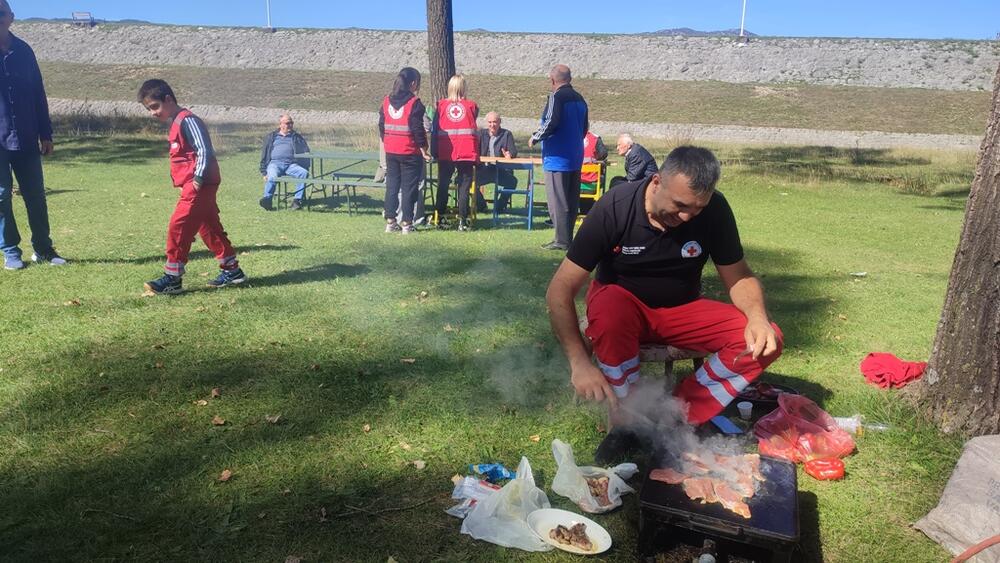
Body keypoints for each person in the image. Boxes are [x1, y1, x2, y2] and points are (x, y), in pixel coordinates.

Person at [545, 146, 783, 463]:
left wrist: (757, 317)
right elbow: (560, 289)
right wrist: (579, 363)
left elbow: (738, 276)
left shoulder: (715, 210)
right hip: (623, 308)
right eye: (680, 205)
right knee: (610, 307)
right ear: (656, 182)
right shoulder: (614, 207)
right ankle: (628, 420)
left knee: (767, 339)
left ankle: (679, 411)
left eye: (696, 209)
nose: (686, 216)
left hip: (682, 309)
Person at [137, 79, 247, 294]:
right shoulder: (176, 122)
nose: (152, 113)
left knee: (179, 226)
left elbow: (204, 150)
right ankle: (232, 271)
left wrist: (197, 179)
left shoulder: (188, 120)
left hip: (200, 184)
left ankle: (173, 278)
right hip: (193, 184)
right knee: (208, 227)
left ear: (168, 99)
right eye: (148, 109)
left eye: (154, 107)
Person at [0, 0, 66, 270]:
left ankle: (43, 248)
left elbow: (38, 94)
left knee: (35, 194)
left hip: (26, 136)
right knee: (1, 195)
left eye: (1, 13)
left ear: (12, 17)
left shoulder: (25, 51)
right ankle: (11, 251)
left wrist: (45, 132)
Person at [529, 64, 589, 251]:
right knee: (571, 200)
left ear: (552, 80)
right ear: (570, 79)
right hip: (575, 156)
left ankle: (561, 240)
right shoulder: (580, 99)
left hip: (557, 158)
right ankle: (568, 239)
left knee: (557, 201)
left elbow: (551, 122)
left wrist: (535, 137)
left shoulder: (557, 97)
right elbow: (585, 128)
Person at [378, 67, 429, 234]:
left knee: (392, 186)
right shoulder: (415, 103)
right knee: (409, 188)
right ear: (413, 84)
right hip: (409, 152)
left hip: (391, 151)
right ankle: (407, 223)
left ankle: (391, 222)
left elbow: (381, 126)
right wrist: (424, 150)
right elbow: (417, 129)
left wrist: (388, 142)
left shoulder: (385, 101)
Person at [434, 74, 479, 231]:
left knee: (443, 185)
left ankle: (439, 217)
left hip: (446, 151)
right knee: (464, 186)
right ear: (463, 88)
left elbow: (435, 130)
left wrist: (434, 151)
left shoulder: (440, 106)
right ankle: (463, 220)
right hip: (466, 151)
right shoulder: (472, 106)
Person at [258, 113, 311, 211]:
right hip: (274, 164)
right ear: (280, 124)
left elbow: (306, 151)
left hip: (291, 165)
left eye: (291, 123)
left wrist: (305, 165)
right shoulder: (271, 137)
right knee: (272, 177)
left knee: (303, 173)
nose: (290, 125)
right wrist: (264, 172)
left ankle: (297, 200)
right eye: (287, 123)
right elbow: (264, 154)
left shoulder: (297, 137)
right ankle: (267, 200)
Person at [476, 111, 518, 213]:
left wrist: (509, 155)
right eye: (490, 122)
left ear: (500, 122)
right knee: (466, 182)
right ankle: (481, 205)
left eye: (495, 122)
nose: (492, 125)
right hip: (484, 169)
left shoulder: (506, 134)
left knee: (512, 182)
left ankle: (499, 207)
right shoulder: (481, 134)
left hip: (500, 170)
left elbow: (513, 151)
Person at [579, 130, 608, 214]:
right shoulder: (595, 138)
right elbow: (604, 154)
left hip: (574, 183)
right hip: (592, 183)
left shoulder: (571, 136)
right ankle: (589, 212)